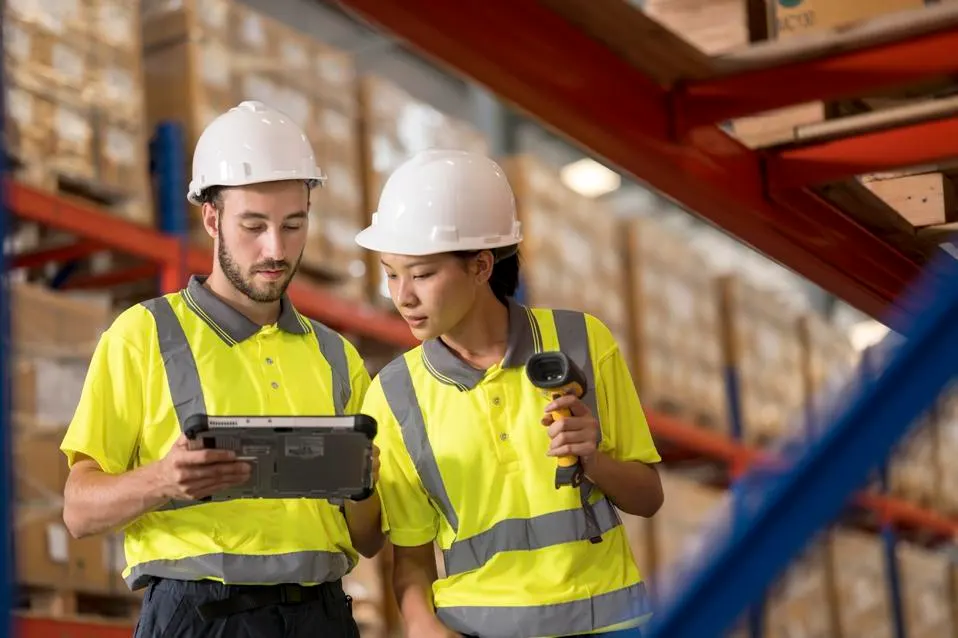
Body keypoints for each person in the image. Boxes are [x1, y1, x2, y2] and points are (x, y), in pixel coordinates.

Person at [59, 100, 383, 638]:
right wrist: (163, 479)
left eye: (293, 225)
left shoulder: (336, 357)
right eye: (253, 225)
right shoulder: (144, 335)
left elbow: (369, 540)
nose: (275, 249)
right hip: (198, 618)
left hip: (321, 617)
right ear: (211, 217)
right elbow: (78, 510)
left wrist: (365, 486)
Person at [354, 149, 665, 638]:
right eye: (391, 273)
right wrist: (423, 627)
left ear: (481, 266)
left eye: (422, 273)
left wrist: (594, 458)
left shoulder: (582, 341)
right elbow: (411, 560)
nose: (403, 296)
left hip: (607, 624)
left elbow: (648, 498)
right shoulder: (394, 395)